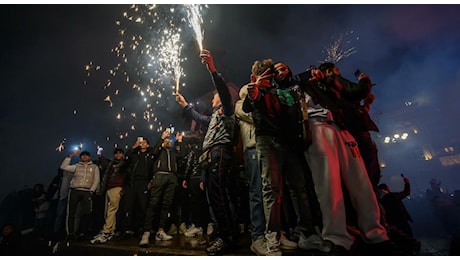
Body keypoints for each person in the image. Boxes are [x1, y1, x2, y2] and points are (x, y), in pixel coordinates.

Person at [297, 63, 400, 255]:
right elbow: (292, 82)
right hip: (317, 127)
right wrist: (309, 75)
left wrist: (360, 84)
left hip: (342, 129)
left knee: (362, 183)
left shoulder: (331, 84)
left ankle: (375, 233)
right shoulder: (302, 85)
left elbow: (355, 93)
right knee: (328, 185)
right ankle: (337, 237)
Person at [175, 49, 236, 256]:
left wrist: (212, 68)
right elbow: (199, 118)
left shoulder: (227, 111)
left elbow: (223, 90)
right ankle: (221, 234)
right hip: (210, 155)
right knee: (213, 197)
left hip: (220, 152)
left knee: (218, 196)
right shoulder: (213, 118)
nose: (212, 100)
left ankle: (228, 239)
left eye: (215, 97)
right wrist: (184, 105)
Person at [234, 85, 267, 255]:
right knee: (256, 192)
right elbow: (255, 117)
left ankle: (272, 232)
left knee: (269, 191)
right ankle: (257, 234)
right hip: (252, 148)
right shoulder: (240, 104)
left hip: (266, 146)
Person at [139, 130, 179, 247]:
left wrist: (180, 141)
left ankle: (160, 231)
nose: (168, 142)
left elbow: (181, 155)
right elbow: (153, 153)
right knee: (153, 203)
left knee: (167, 204)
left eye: (169, 141)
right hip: (160, 175)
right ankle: (146, 232)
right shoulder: (157, 150)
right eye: (166, 141)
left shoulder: (172, 153)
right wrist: (162, 138)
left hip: (172, 177)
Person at [60, 150, 100, 242]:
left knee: (86, 213)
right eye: (83, 156)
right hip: (75, 190)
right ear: (80, 157)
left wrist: (92, 190)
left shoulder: (94, 167)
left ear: (89, 157)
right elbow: (63, 167)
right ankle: (70, 233)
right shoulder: (76, 166)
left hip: (87, 191)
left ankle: (84, 232)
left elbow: (96, 179)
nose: (85, 157)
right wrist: (70, 156)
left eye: (86, 155)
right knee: (71, 212)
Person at [91, 148, 129, 244]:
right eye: (116, 153)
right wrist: (100, 155)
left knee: (112, 210)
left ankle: (107, 230)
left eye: (120, 153)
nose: (118, 155)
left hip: (117, 187)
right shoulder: (111, 164)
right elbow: (104, 163)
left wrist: (123, 188)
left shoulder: (124, 164)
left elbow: (127, 176)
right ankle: (110, 229)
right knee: (108, 210)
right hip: (108, 188)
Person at [120, 137, 155, 238]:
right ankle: (127, 228)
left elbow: (153, 168)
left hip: (144, 182)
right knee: (129, 206)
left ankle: (142, 228)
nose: (141, 144)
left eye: (144, 142)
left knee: (143, 206)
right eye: (140, 142)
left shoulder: (150, 155)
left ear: (147, 145)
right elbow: (125, 158)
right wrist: (133, 147)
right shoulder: (134, 154)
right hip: (132, 182)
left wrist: (151, 180)